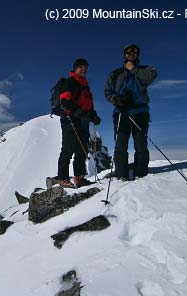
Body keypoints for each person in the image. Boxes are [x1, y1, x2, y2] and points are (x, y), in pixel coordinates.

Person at [104, 44, 157, 180]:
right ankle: (121, 175)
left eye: (134, 53)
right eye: (128, 53)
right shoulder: (115, 74)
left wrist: (133, 69)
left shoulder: (144, 70)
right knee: (120, 145)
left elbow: (152, 76)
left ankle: (141, 174)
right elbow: (107, 92)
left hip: (140, 112)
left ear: (137, 55)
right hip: (121, 112)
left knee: (140, 144)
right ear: (124, 55)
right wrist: (117, 99)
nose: (131, 54)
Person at [57, 58, 101, 188]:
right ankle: (63, 178)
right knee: (68, 149)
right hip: (70, 120)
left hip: (83, 121)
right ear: (75, 69)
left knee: (82, 150)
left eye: (86, 67)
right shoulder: (69, 82)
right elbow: (64, 100)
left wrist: (93, 116)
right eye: (81, 67)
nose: (84, 69)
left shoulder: (85, 86)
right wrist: (78, 112)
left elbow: (89, 105)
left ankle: (79, 178)